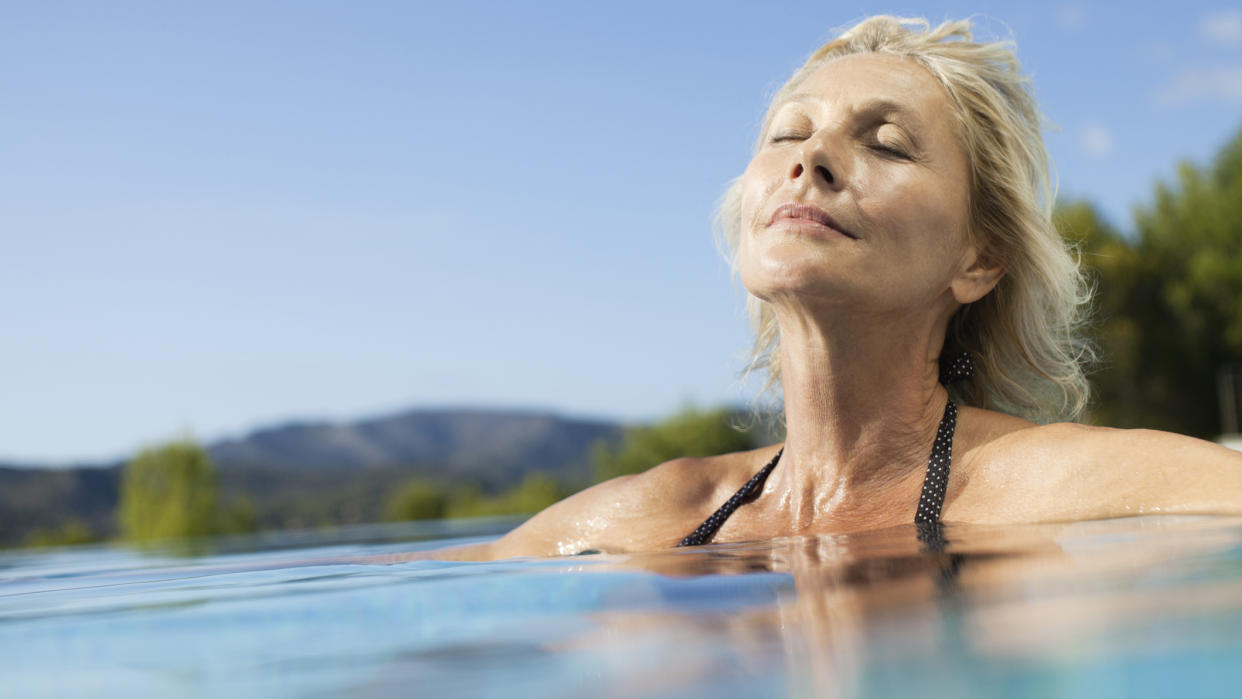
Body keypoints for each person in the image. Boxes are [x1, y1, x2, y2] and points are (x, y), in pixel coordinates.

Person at [435, 16, 1242, 560]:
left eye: (885, 144)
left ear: (980, 258)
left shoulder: (1062, 491)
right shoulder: (654, 520)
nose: (809, 158)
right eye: (789, 132)